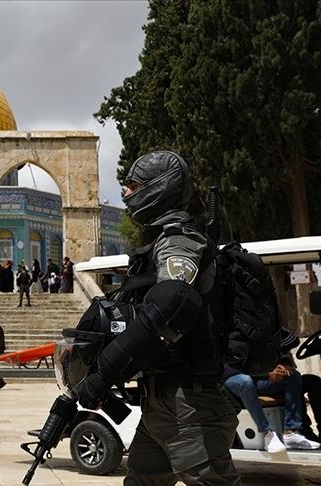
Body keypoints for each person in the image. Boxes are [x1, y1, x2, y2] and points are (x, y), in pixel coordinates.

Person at [74, 151, 241, 485]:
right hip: (161, 400)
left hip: (187, 403)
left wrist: (106, 370)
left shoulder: (179, 241)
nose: (125, 193)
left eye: (134, 186)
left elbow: (171, 305)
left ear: (160, 188)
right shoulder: (159, 244)